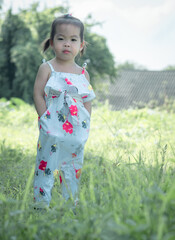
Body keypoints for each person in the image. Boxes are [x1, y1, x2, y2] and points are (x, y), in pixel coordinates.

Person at [33, 14, 96, 207]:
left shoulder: (82, 72)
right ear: (52, 42)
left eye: (73, 40)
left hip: (76, 127)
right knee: (46, 163)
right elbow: (37, 94)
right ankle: (41, 203)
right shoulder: (47, 68)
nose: (67, 44)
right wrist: (44, 117)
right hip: (51, 125)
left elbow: (87, 99)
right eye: (61, 39)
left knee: (72, 165)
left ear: (81, 45)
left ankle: (70, 202)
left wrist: (86, 123)